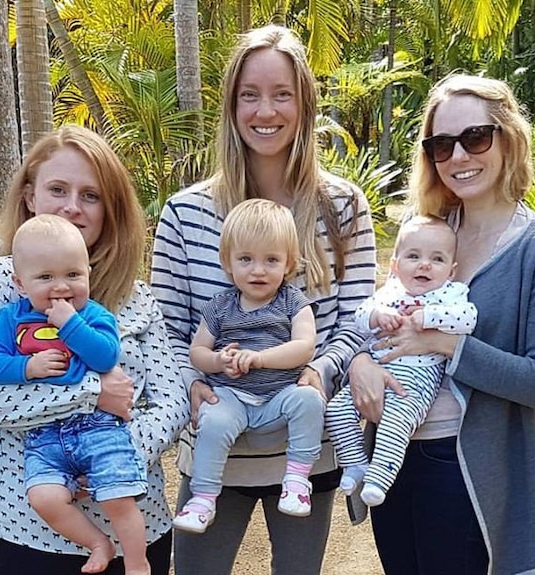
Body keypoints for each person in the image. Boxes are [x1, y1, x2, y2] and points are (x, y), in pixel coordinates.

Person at [151, 25, 377, 574]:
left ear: (304, 103)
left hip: (305, 445)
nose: (265, 110)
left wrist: (320, 371)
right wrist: (194, 381)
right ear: (231, 105)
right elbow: (165, 331)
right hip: (216, 445)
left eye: (281, 94)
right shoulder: (185, 213)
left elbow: (357, 321)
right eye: (249, 95)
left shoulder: (344, 206)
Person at [347, 74, 535, 574]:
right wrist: (360, 361)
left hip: (465, 465)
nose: (458, 157)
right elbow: (379, 314)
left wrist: (448, 344)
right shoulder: (427, 233)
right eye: (441, 145)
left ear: (508, 137)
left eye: (475, 138)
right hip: (393, 453)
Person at [0, 125, 188, 575]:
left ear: (110, 208)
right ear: (29, 196)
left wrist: (107, 459)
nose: (72, 207)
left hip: (139, 527)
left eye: (91, 195)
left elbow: (173, 403)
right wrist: (91, 395)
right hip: (32, 530)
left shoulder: (135, 296)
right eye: (58, 189)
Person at [0, 214, 149, 575]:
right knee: (44, 497)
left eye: (72, 275)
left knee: (118, 495)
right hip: (43, 435)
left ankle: (136, 561)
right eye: (45, 277)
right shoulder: (12, 319)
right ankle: (98, 542)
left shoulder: (93, 314)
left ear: (87, 273)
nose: (61, 287)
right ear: (20, 284)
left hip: (99, 427)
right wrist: (28, 368)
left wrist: (70, 323)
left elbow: (105, 356)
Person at [173, 198, 322, 534]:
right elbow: (197, 349)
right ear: (227, 262)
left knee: (310, 400)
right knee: (211, 420)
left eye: (271, 259)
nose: (258, 270)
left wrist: (260, 358)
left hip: (279, 396)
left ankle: (297, 481)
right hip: (232, 396)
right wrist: (216, 361)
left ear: (288, 264)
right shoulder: (220, 306)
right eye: (246, 259)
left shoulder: (292, 301)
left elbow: (304, 346)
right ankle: (204, 499)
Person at [325, 215, 477, 507]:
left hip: (418, 379)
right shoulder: (389, 292)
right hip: (377, 369)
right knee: (337, 411)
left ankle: (379, 479)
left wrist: (429, 317)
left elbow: (468, 319)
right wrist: (376, 317)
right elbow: (359, 317)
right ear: (395, 265)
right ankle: (355, 463)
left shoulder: (449, 294)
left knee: (396, 422)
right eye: (413, 256)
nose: (424, 265)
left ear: (451, 270)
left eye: (437, 259)